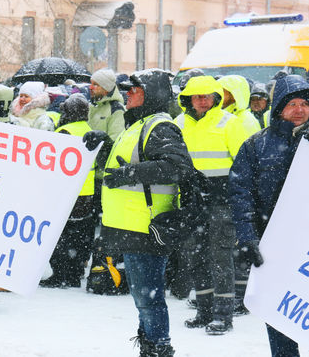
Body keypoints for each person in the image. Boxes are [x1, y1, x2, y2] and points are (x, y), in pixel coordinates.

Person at [93, 69, 194, 357]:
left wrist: (129, 174)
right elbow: (125, 162)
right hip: (134, 226)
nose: (127, 94)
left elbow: (177, 167)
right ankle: (151, 347)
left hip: (148, 228)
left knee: (149, 299)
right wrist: (101, 146)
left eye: (134, 90)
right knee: (144, 297)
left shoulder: (160, 126)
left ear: (151, 94)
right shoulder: (138, 124)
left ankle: (158, 349)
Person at [229, 74, 309, 357]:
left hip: (306, 254)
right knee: (281, 318)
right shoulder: (256, 145)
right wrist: (248, 239)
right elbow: (241, 194)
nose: (299, 109)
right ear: (279, 109)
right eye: (292, 104)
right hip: (274, 251)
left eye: (305, 103)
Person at [174, 75, 251, 335]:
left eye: (207, 96)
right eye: (197, 96)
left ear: (216, 98)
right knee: (195, 257)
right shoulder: (179, 123)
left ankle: (223, 314)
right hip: (191, 200)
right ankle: (204, 310)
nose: (202, 101)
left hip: (221, 201)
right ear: (188, 99)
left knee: (221, 258)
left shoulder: (230, 123)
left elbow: (242, 165)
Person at [40, 94, 95, 288]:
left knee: (61, 236)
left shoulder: (65, 131)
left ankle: (60, 274)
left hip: (69, 191)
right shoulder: (89, 130)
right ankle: (75, 271)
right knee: (79, 236)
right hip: (87, 193)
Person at [87, 68, 125, 141]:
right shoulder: (91, 105)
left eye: (95, 84)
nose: (90, 87)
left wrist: (103, 143)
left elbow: (115, 140)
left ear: (106, 89)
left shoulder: (116, 109)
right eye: (91, 83)